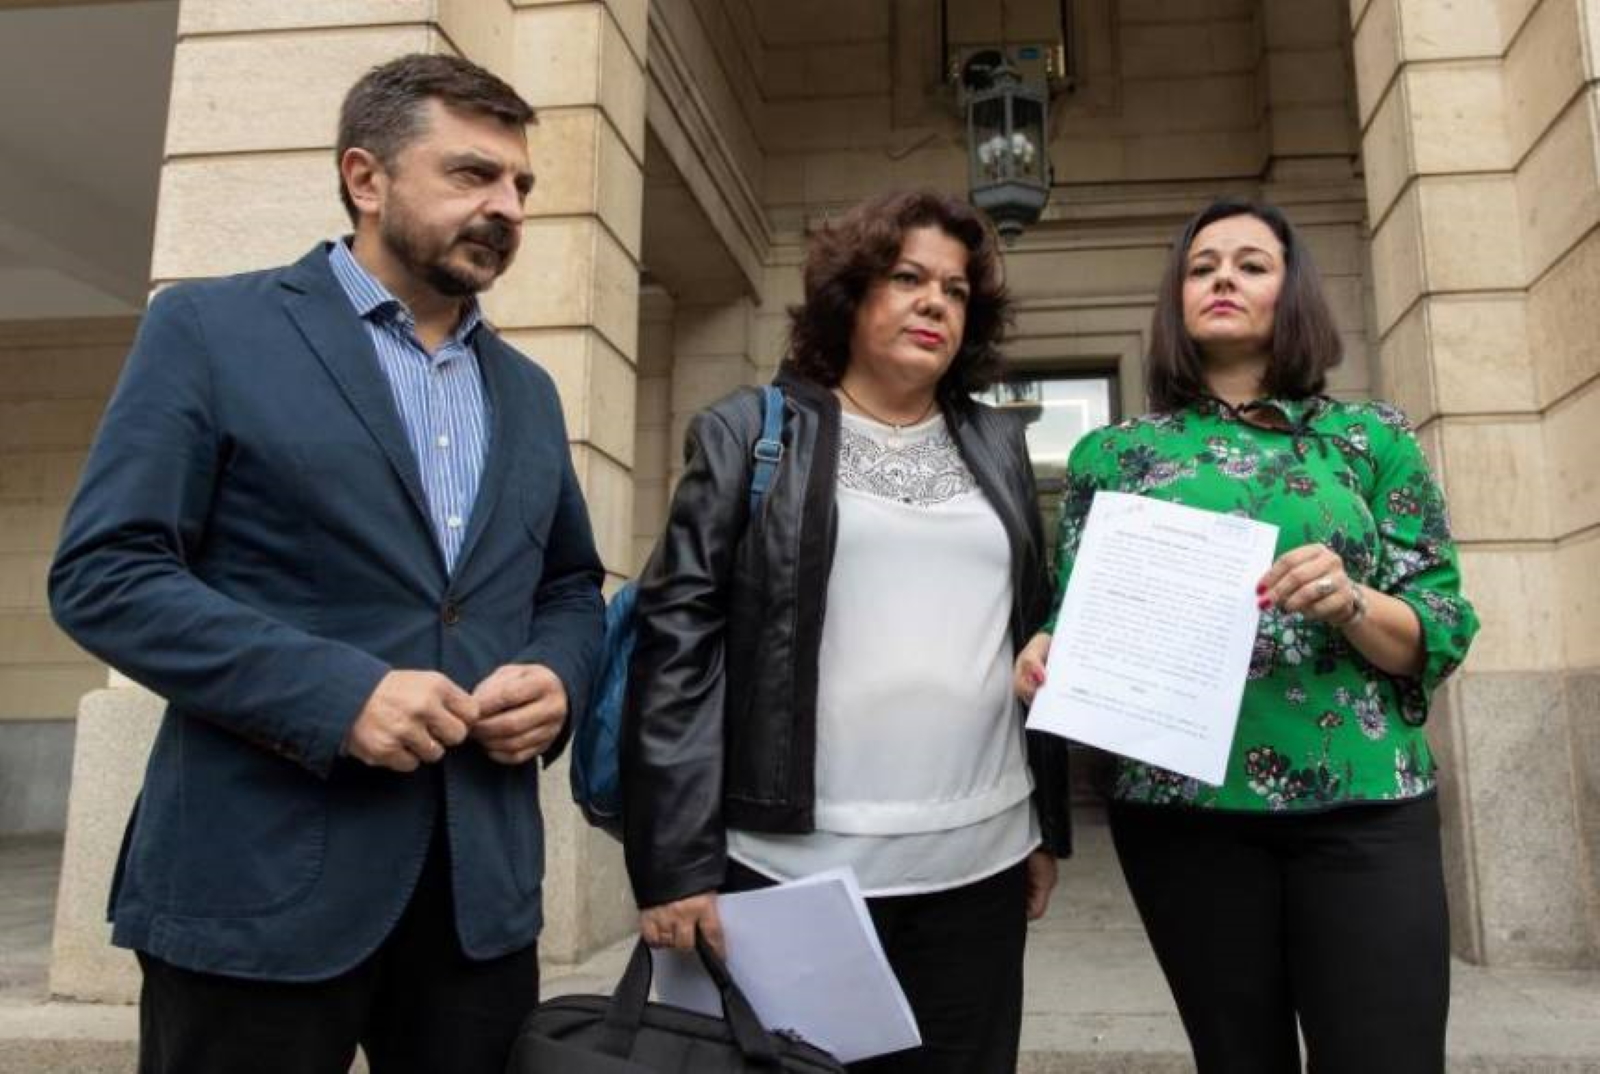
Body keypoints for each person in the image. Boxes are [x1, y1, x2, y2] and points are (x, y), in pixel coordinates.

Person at [48, 53, 604, 1074]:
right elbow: (106, 573)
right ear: (365, 177)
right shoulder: (211, 329)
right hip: (255, 888)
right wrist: (339, 695)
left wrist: (559, 677)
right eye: (473, 174)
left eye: (521, 184)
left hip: (477, 904)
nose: (508, 207)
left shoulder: (527, 390)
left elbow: (569, 584)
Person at [1014, 197, 1480, 1074]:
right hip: (1183, 817)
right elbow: (1076, 610)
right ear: (1177, 299)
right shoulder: (1111, 454)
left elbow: (1441, 622)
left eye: (1251, 265)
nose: (1222, 278)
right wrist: (1048, 650)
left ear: (1291, 293)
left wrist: (1351, 600)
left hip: (1365, 807)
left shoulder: (1370, 436)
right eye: (1201, 267)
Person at [622, 189, 1073, 1074]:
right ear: (851, 293)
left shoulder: (997, 442)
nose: (935, 302)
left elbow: (1031, 624)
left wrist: (1044, 827)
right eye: (907, 278)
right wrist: (675, 866)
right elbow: (676, 648)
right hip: (795, 876)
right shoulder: (749, 433)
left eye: (955, 289)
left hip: (981, 866)